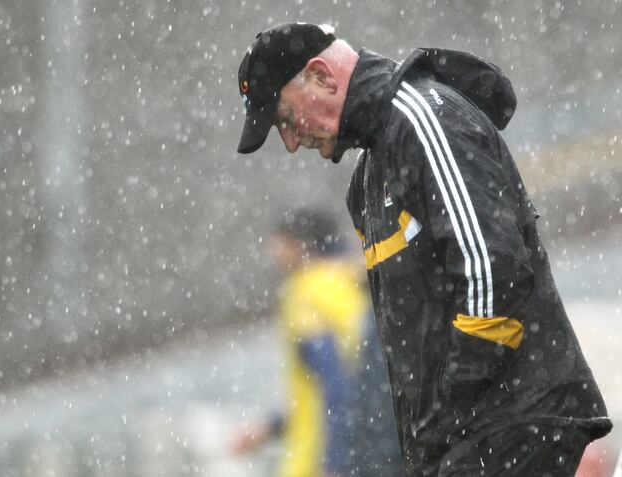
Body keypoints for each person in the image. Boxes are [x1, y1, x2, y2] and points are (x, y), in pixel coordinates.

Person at [234, 22, 612, 476]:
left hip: (505, 425)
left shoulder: (423, 118)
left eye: (287, 119)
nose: (292, 142)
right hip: (466, 440)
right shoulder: (368, 175)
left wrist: (452, 407)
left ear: (322, 76)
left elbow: (493, 269)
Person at [233, 208, 405, 477]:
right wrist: (270, 427)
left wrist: (336, 462)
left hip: (317, 461)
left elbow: (334, 382)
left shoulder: (307, 294)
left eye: (280, 242)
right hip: (374, 445)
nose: (273, 252)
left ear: (300, 245)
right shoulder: (350, 283)